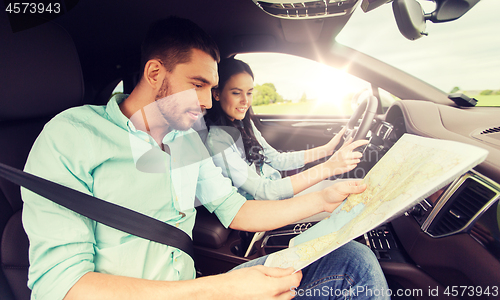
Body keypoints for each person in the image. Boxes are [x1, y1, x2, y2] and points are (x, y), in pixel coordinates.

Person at [21, 16, 389, 300]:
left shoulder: (184, 140)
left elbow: (236, 209)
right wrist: (218, 289)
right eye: (197, 85)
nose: (208, 102)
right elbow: (63, 286)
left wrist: (320, 199)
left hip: (192, 290)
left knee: (352, 263)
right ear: (154, 72)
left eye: (212, 88)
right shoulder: (72, 135)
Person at [204, 57, 369, 202]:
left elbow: (276, 159)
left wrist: (326, 150)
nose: (245, 101)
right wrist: (328, 167)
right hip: (264, 206)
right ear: (217, 94)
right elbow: (264, 191)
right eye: (236, 93)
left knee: (350, 189)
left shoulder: (243, 123)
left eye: (249, 93)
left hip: (277, 191)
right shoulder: (217, 141)